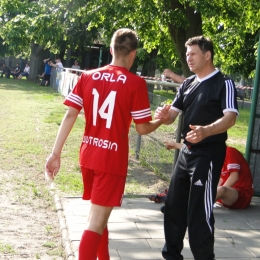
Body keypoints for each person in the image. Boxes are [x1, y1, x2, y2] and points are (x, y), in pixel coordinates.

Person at [45, 28, 167, 260]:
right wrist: (162, 120)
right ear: (133, 54)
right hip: (111, 160)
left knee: (100, 215)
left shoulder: (88, 76)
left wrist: (55, 152)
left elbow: (71, 115)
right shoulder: (135, 83)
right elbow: (142, 128)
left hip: (89, 155)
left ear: (111, 50)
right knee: (95, 221)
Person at [155, 35, 238, 260]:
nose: (188, 58)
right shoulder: (188, 83)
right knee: (173, 207)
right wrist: (163, 116)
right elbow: (172, 115)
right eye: (187, 53)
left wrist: (207, 130)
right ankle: (171, 256)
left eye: (193, 53)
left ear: (207, 55)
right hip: (186, 153)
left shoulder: (224, 82)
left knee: (199, 214)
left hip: (208, 154)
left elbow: (230, 118)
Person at [162, 142, 254, 209]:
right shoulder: (216, 156)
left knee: (221, 189)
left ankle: (191, 208)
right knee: (200, 183)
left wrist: (215, 193)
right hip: (226, 196)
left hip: (242, 196)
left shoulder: (230, 152)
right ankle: (175, 201)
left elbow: (234, 177)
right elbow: (196, 151)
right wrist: (176, 145)